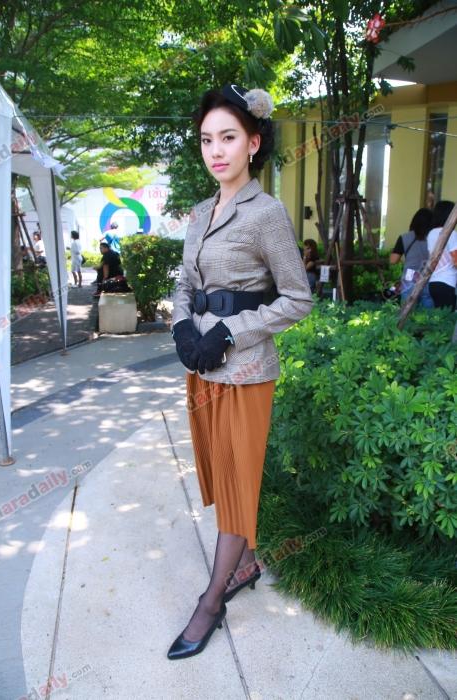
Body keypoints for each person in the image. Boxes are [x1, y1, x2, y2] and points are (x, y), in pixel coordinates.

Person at [168, 83, 313, 661]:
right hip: (202, 367)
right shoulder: (200, 212)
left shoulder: (267, 213)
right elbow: (184, 283)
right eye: (207, 140)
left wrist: (231, 331)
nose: (216, 150)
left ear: (253, 143)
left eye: (228, 137)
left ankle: (211, 603)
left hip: (246, 370)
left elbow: (298, 299)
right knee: (218, 470)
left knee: (237, 482)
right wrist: (182, 326)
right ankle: (246, 564)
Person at [389, 208, 434, 308]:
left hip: (409, 279)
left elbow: (393, 260)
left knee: (407, 314)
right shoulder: (435, 238)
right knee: (428, 315)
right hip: (429, 278)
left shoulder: (404, 237)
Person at [426, 200, 457, 310]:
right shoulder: (452, 234)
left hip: (433, 282)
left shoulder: (431, 233)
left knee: (438, 316)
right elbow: (455, 260)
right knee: (447, 317)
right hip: (447, 282)